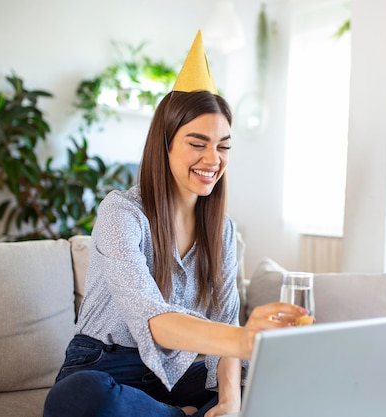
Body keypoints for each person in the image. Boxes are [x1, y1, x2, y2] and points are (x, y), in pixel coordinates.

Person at [43, 31, 307, 417]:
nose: (212, 158)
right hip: (105, 362)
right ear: (164, 143)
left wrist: (230, 401)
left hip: (176, 373)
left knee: (268, 389)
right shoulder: (122, 213)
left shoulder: (223, 231)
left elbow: (224, 324)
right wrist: (245, 338)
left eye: (223, 145)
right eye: (197, 143)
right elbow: (156, 321)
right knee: (80, 398)